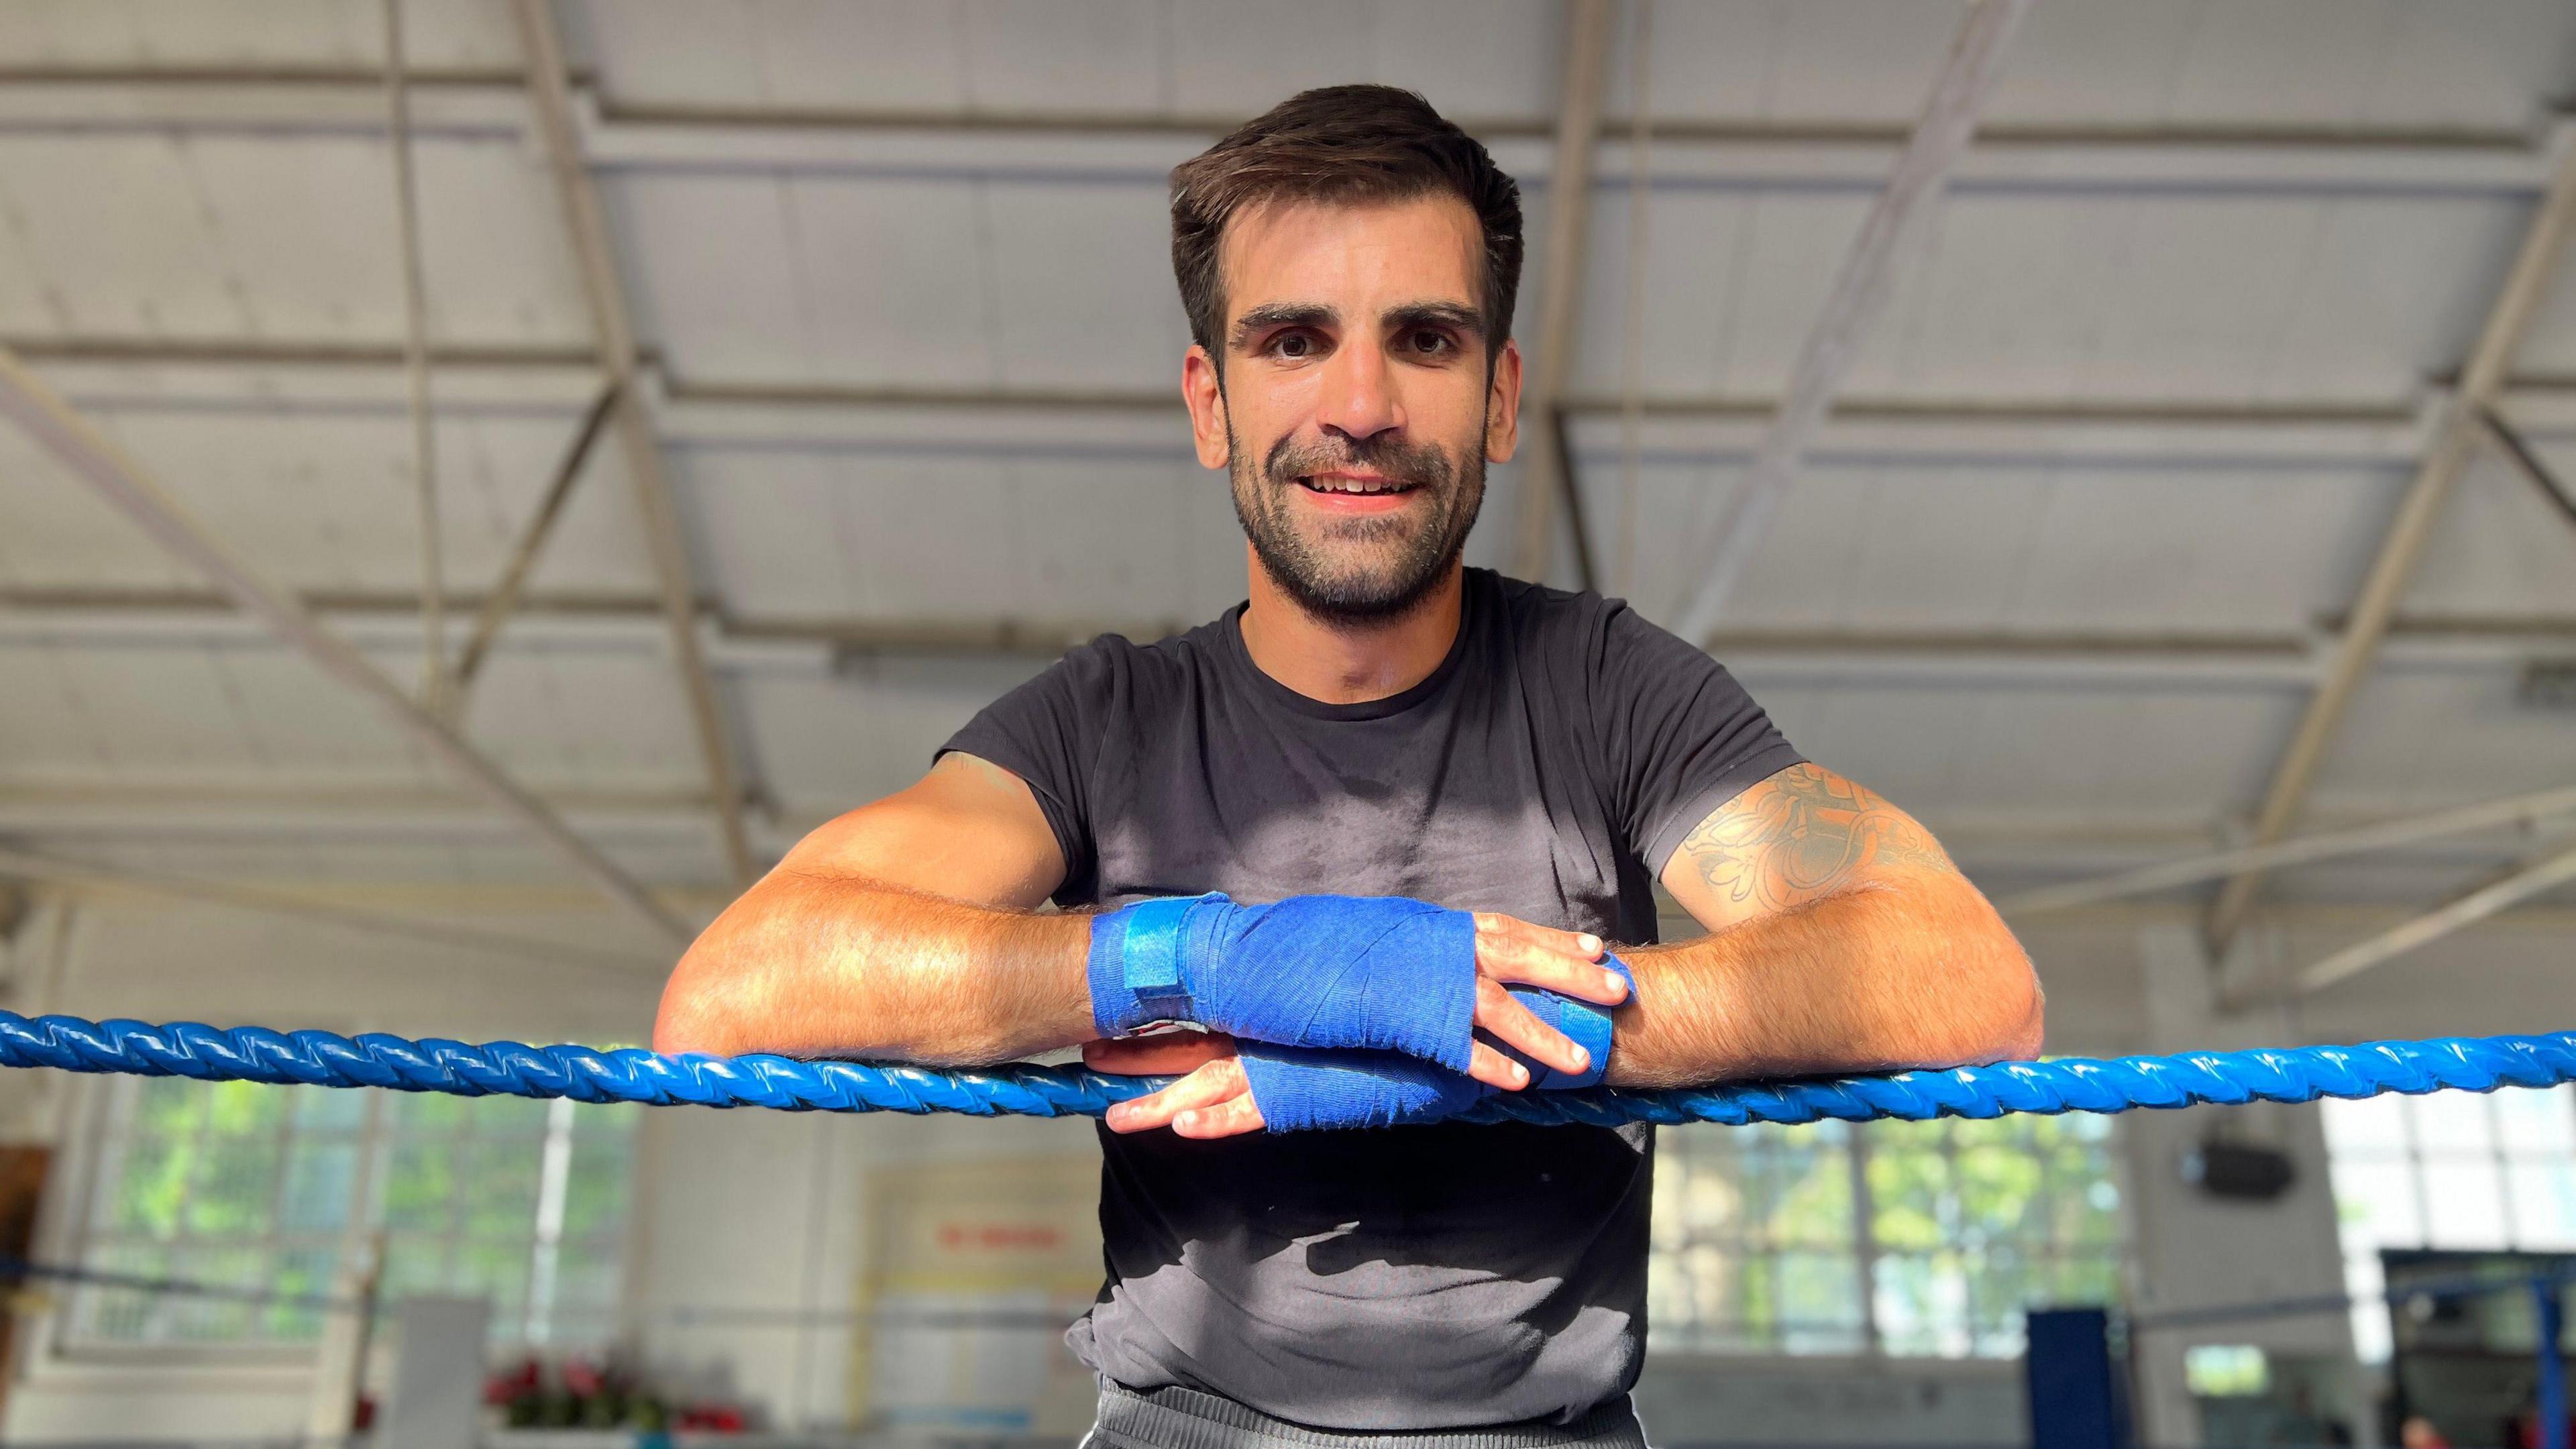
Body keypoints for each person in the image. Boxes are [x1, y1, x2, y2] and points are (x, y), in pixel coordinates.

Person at [656, 84, 2040, 1447]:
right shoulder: (1104, 723)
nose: (1362, 403)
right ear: (1211, 404)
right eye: (1294, 340)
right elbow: (732, 989)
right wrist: (1201, 961)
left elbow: (1967, 973)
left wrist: (1496, 1040)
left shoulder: (1614, 690)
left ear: (1499, 398)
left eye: (1425, 339)